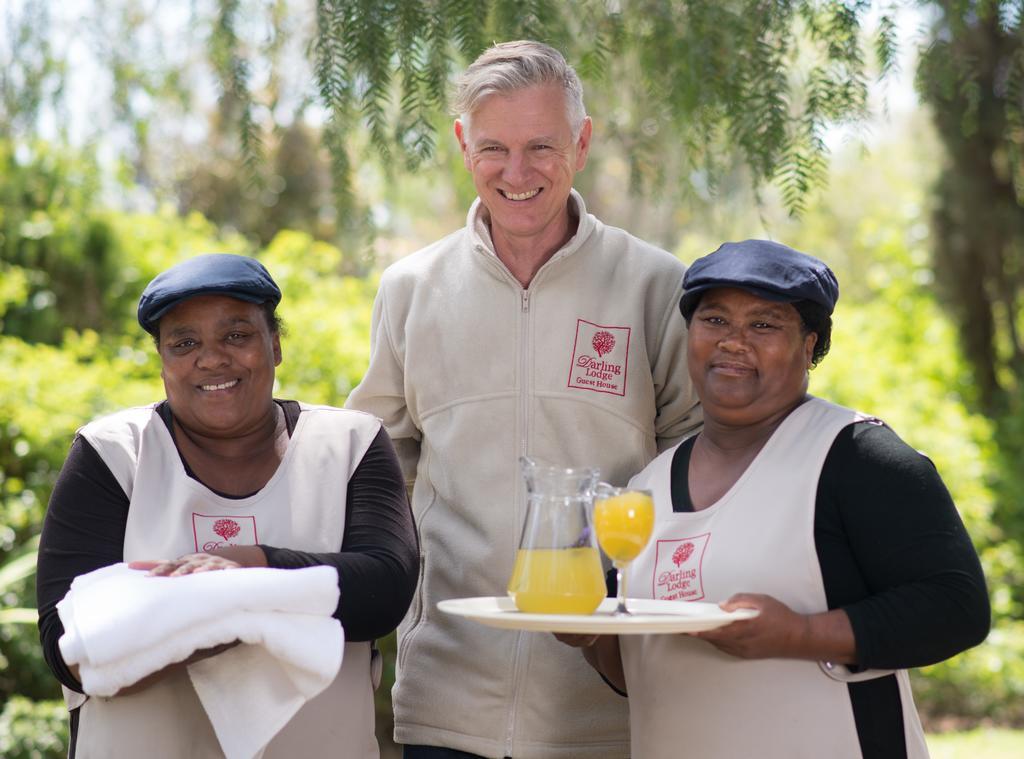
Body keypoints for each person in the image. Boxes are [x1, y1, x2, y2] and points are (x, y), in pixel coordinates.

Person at [344, 40, 701, 759]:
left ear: (583, 140)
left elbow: (697, 465)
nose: (517, 172)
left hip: (609, 702)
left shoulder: (655, 284)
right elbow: (373, 462)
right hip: (447, 697)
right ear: (461, 143)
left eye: (542, 145)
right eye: (493, 148)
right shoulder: (410, 289)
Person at [563, 239, 991, 758]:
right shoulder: (645, 489)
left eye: (764, 325)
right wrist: (583, 634)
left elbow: (957, 608)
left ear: (809, 346)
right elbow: (637, 673)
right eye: (714, 321)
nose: (733, 342)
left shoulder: (856, 457)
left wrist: (800, 634)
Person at [36, 253, 419, 759]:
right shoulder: (114, 453)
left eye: (236, 336)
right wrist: (238, 608)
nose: (212, 359)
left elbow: (384, 587)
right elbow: (66, 642)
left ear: (275, 345)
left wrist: (243, 568)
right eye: (184, 343)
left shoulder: (349, 443)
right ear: (163, 360)